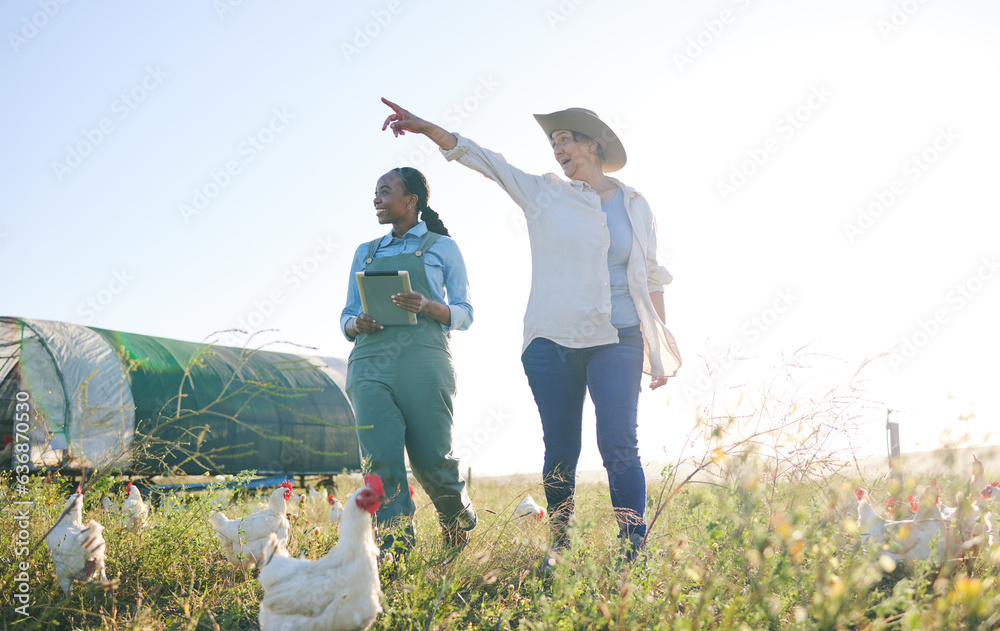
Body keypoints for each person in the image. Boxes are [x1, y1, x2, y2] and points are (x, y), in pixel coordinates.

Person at [380, 98, 682, 566]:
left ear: (592, 144)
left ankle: (631, 553)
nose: (557, 148)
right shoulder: (545, 192)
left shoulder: (635, 204)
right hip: (551, 340)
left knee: (619, 443)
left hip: (619, 334)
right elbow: (484, 159)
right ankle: (559, 547)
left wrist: (657, 345)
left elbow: (652, 276)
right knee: (561, 448)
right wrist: (426, 129)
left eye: (565, 138)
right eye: (553, 141)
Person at [341, 166, 477, 559]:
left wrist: (430, 306)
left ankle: (456, 515)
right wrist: (356, 322)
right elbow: (346, 314)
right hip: (370, 360)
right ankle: (397, 549)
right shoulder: (365, 252)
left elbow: (466, 312)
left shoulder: (442, 247)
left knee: (433, 460)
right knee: (380, 460)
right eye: (375, 192)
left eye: (385, 191)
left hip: (424, 359)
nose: (377, 199)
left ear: (411, 200)